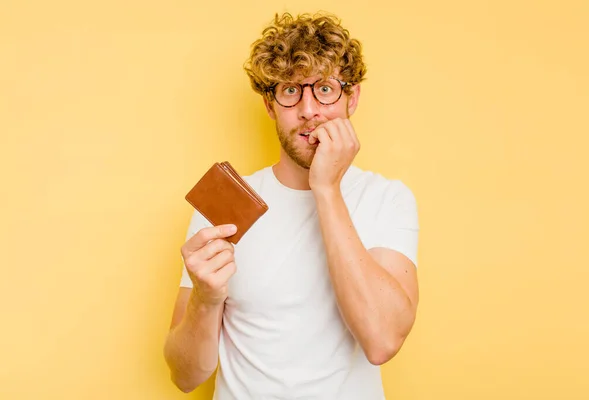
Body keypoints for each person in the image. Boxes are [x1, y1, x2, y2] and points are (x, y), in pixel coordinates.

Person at [163, 12, 420, 400]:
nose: (309, 110)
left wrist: (327, 188)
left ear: (352, 97)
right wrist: (205, 297)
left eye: (326, 89)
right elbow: (185, 376)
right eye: (289, 91)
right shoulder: (229, 203)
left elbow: (382, 341)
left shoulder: (388, 199)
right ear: (270, 105)